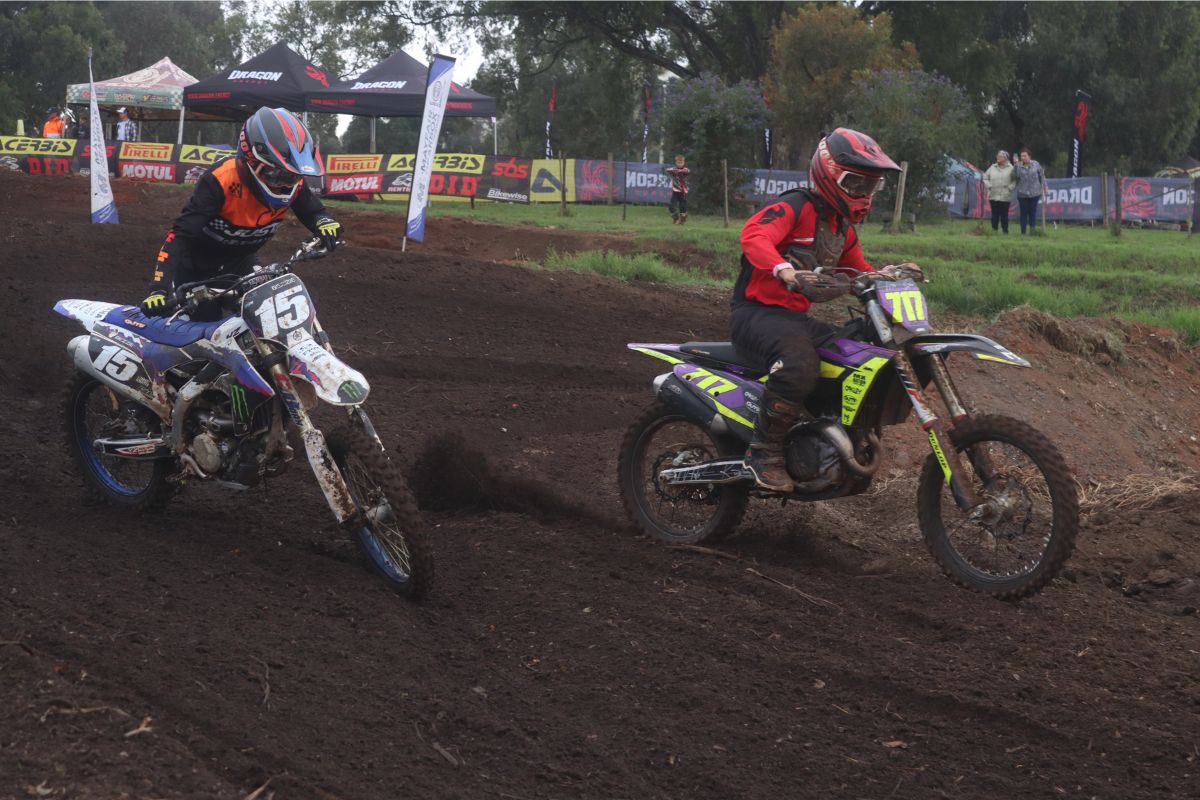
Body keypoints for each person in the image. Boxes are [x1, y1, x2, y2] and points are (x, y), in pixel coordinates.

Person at [732, 128, 920, 492]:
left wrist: (889, 275)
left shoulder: (840, 228)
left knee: (856, 355)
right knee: (800, 363)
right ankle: (763, 454)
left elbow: (859, 271)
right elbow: (754, 235)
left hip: (793, 319)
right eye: (856, 184)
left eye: (871, 186)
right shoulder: (795, 206)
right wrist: (784, 270)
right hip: (755, 314)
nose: (864, 194)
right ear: (830, 175)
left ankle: (823, 439)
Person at [141, 107, 343, 318]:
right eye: (277, 174)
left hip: (241, 263)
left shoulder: (295, 185)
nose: (284, 185)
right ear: (251, 160)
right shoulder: (221, 180)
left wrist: (325, 223)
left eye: (292, 176)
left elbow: (314, 213)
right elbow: (180, 235)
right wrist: (159, 289)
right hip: (196, 269)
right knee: (205, 328)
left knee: (272, 313)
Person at [1014, 148, 1047, 234]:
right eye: (1021, 156)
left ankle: (1032, 231)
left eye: (1025, 156)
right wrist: (1015, 166)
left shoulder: (1036, 164)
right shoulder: (1018, 166)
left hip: (1035, 192)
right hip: (1022, 193)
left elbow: (1042, 176)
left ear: (1029, 156)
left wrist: (1045, 188)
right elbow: (1015, 177)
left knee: (1032, 212)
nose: (1023, 158)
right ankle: (1023, 232)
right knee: (1023, 213)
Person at [982, 150, 1016, 233]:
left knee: (1004, 214)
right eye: (997, 156)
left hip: (1005, 195)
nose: (998, 158)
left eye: (1000, 156)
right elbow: (985, 177)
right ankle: (994, 230)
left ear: (1005, 158)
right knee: (994, 214)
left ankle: (1005, 231)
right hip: (993, 194)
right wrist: (989, 186)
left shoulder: (1011, 168)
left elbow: (1015, 180)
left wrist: (1010, 188)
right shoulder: (992, 167)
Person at [665, 154, 689, 225]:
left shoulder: (686, 170)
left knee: (683, 207)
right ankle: (675, 218)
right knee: (671, 206)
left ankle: (683, 219)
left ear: (684, 162)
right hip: (675, 191)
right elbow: (667, 170)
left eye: (681, 163)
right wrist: (674, 170)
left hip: (683, 191)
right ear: (676, 162)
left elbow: (686, 171)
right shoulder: (673, 169)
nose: (680, 164)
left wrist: (677, 171)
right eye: (678, 162)